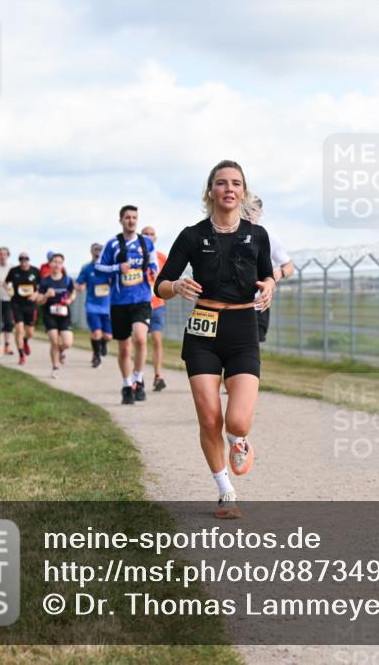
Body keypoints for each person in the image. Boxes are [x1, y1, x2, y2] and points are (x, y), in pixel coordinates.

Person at [155, 159, 275, 519]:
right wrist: (176, 286)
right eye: (221, 183)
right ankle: (225, 493)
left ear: (244, 192)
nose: (229, 189)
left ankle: (239, 441)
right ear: (211, 191)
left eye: (236, 183)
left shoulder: (258, 236)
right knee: (209, 419)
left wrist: (269, 288)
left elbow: (268, 275)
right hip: (203, 330)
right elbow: (161, 284)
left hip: (242, 331)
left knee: (236, 421)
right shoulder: (192, 235)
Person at [95, 205, 159, 405]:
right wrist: (116, 268)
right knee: (124, 348)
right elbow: (98, 267)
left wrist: (154, 271)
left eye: (134, 217)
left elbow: (153, 263)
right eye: (127, 217)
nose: (131, 220)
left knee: (140, 339)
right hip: (119, 302)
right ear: (121, 220)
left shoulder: (146, 243)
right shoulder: (113, 244)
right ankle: (126, 383)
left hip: (141, 299)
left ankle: (139, 379)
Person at [246, 196, 294, 343]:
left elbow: (289, 265)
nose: (249, 214)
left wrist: (280, 272)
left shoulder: (267, 237)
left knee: (248, 355)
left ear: (260, 213)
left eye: (254, 210)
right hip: (229, 304)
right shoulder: (226, 233)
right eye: (246, 209)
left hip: (258, 305)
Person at [34, 253, 76, 379]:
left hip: (64, 314)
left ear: (62, 265)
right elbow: (39, 301)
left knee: (67, 343)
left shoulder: (67, 280)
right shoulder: (45, 281)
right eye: (54, 262)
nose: (57, 264)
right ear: (50, 264)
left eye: (59, 262)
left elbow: (73, 293)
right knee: (54, 341)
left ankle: (61, 351)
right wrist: (46, 295)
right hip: (49, 314)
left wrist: (70, 300)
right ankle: (55, 367)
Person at [75, 243, 114, 368]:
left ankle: (102, 344)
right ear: (91, 252)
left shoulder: (108, 267)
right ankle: (96, 356)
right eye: (95, 250)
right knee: (96, 332)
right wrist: (79, 287)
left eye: (100, 250)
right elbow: (79, 282)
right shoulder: (87, 268)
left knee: (108, 336)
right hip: (92, 305)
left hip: (107, 306)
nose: (98, 252)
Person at [140, 226, 169, 391]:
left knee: (157, 341)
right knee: (141, 341)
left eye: (151, 234)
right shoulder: (135, 256)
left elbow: (168, 277)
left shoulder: (161, 257)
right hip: (140, 304)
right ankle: (139, 375)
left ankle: (158, 376)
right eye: (145, 234)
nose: (149, 236)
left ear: (155, 238)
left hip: (157, 304)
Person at [6, 252, 41, 366]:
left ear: (29, 260)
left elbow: (42, 287)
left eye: (26, 258)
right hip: (17, 304)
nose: (23, 260)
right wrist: (9, 290)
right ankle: (21, 355)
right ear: (19, 260)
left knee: (30, 332)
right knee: (19, 330)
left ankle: (25, 340)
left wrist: (36, 294)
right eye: (21, 259)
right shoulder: (14, 271)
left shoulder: (35, 271)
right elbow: (5, 283)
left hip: (30, 305)